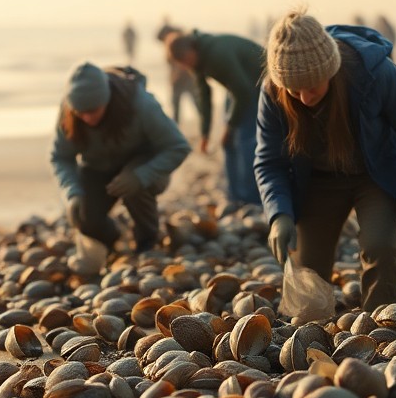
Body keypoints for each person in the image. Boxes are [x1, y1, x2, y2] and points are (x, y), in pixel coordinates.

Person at [255, 9, 396, 313]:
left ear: (332, 69)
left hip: (372, 176)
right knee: (308, 280)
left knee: (383, 246)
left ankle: (383, 328)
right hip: (316, 184)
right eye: (293, 90)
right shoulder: (273, 92)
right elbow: (269, 160)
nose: (304, 98)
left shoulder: (375, 74)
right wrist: (278, 213)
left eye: (312, 86)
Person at [50, 63, 190, 253]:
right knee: (80, 215)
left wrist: (142, 176)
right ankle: (114, 238)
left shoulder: (141, 104)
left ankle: (147, 240)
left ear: (106, 100)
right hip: (97, 167)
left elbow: (178, 146)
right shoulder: (69, 111)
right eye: (81, 112)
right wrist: (72, 192)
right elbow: (61, 157)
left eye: (93, 110)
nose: (87, 118)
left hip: (144, 163)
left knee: (132, 187)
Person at [167, 28, 265, 206]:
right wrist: (205, 135)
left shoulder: (216, 55)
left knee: (244, 141)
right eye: (180, 62)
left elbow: (243, 93)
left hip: (258, 85)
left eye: (183, 60)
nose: (183, 65)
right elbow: (204, 97)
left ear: (191, 50)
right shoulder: (197, 60)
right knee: (227, 142)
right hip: (237, 87)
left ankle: (252, 198)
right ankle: (235, 195)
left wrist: (230, 126)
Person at [156, 23, 203, 131]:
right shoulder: (175, 42)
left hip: (183, 80)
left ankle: (203, 127)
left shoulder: (176, 45)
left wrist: (176, 76)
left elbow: (181, 65)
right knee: (180, 105)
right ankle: (177, 128)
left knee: (192, 104)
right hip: (182, 80)